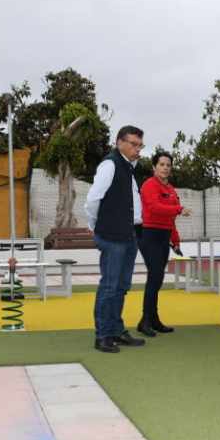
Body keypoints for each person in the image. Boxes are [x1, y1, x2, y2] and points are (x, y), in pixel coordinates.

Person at [84, 125, 148, 353]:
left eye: (140, 145)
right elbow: (92, 200)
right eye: (133, 144)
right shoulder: (110, 165)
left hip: (129, 235)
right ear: (119, 142)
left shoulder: (129, 168)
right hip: (112, 236)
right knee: (110, 287)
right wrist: (95, 226)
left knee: (121, 286)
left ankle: (116, 330)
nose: (137, 149)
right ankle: (103, 335)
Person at [137, 151, 190, 337]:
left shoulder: (171, 189)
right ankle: (145, 320)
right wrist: (179, 208)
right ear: (154, 167)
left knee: (157, 278)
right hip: (148, 234)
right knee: (155, 276)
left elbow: (170, 218)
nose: (165, 168)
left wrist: (175, 240)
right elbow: (154, 208)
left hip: (164, 235)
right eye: (161, 164)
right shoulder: (149, 185)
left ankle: (152, 319)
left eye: (168, 165)